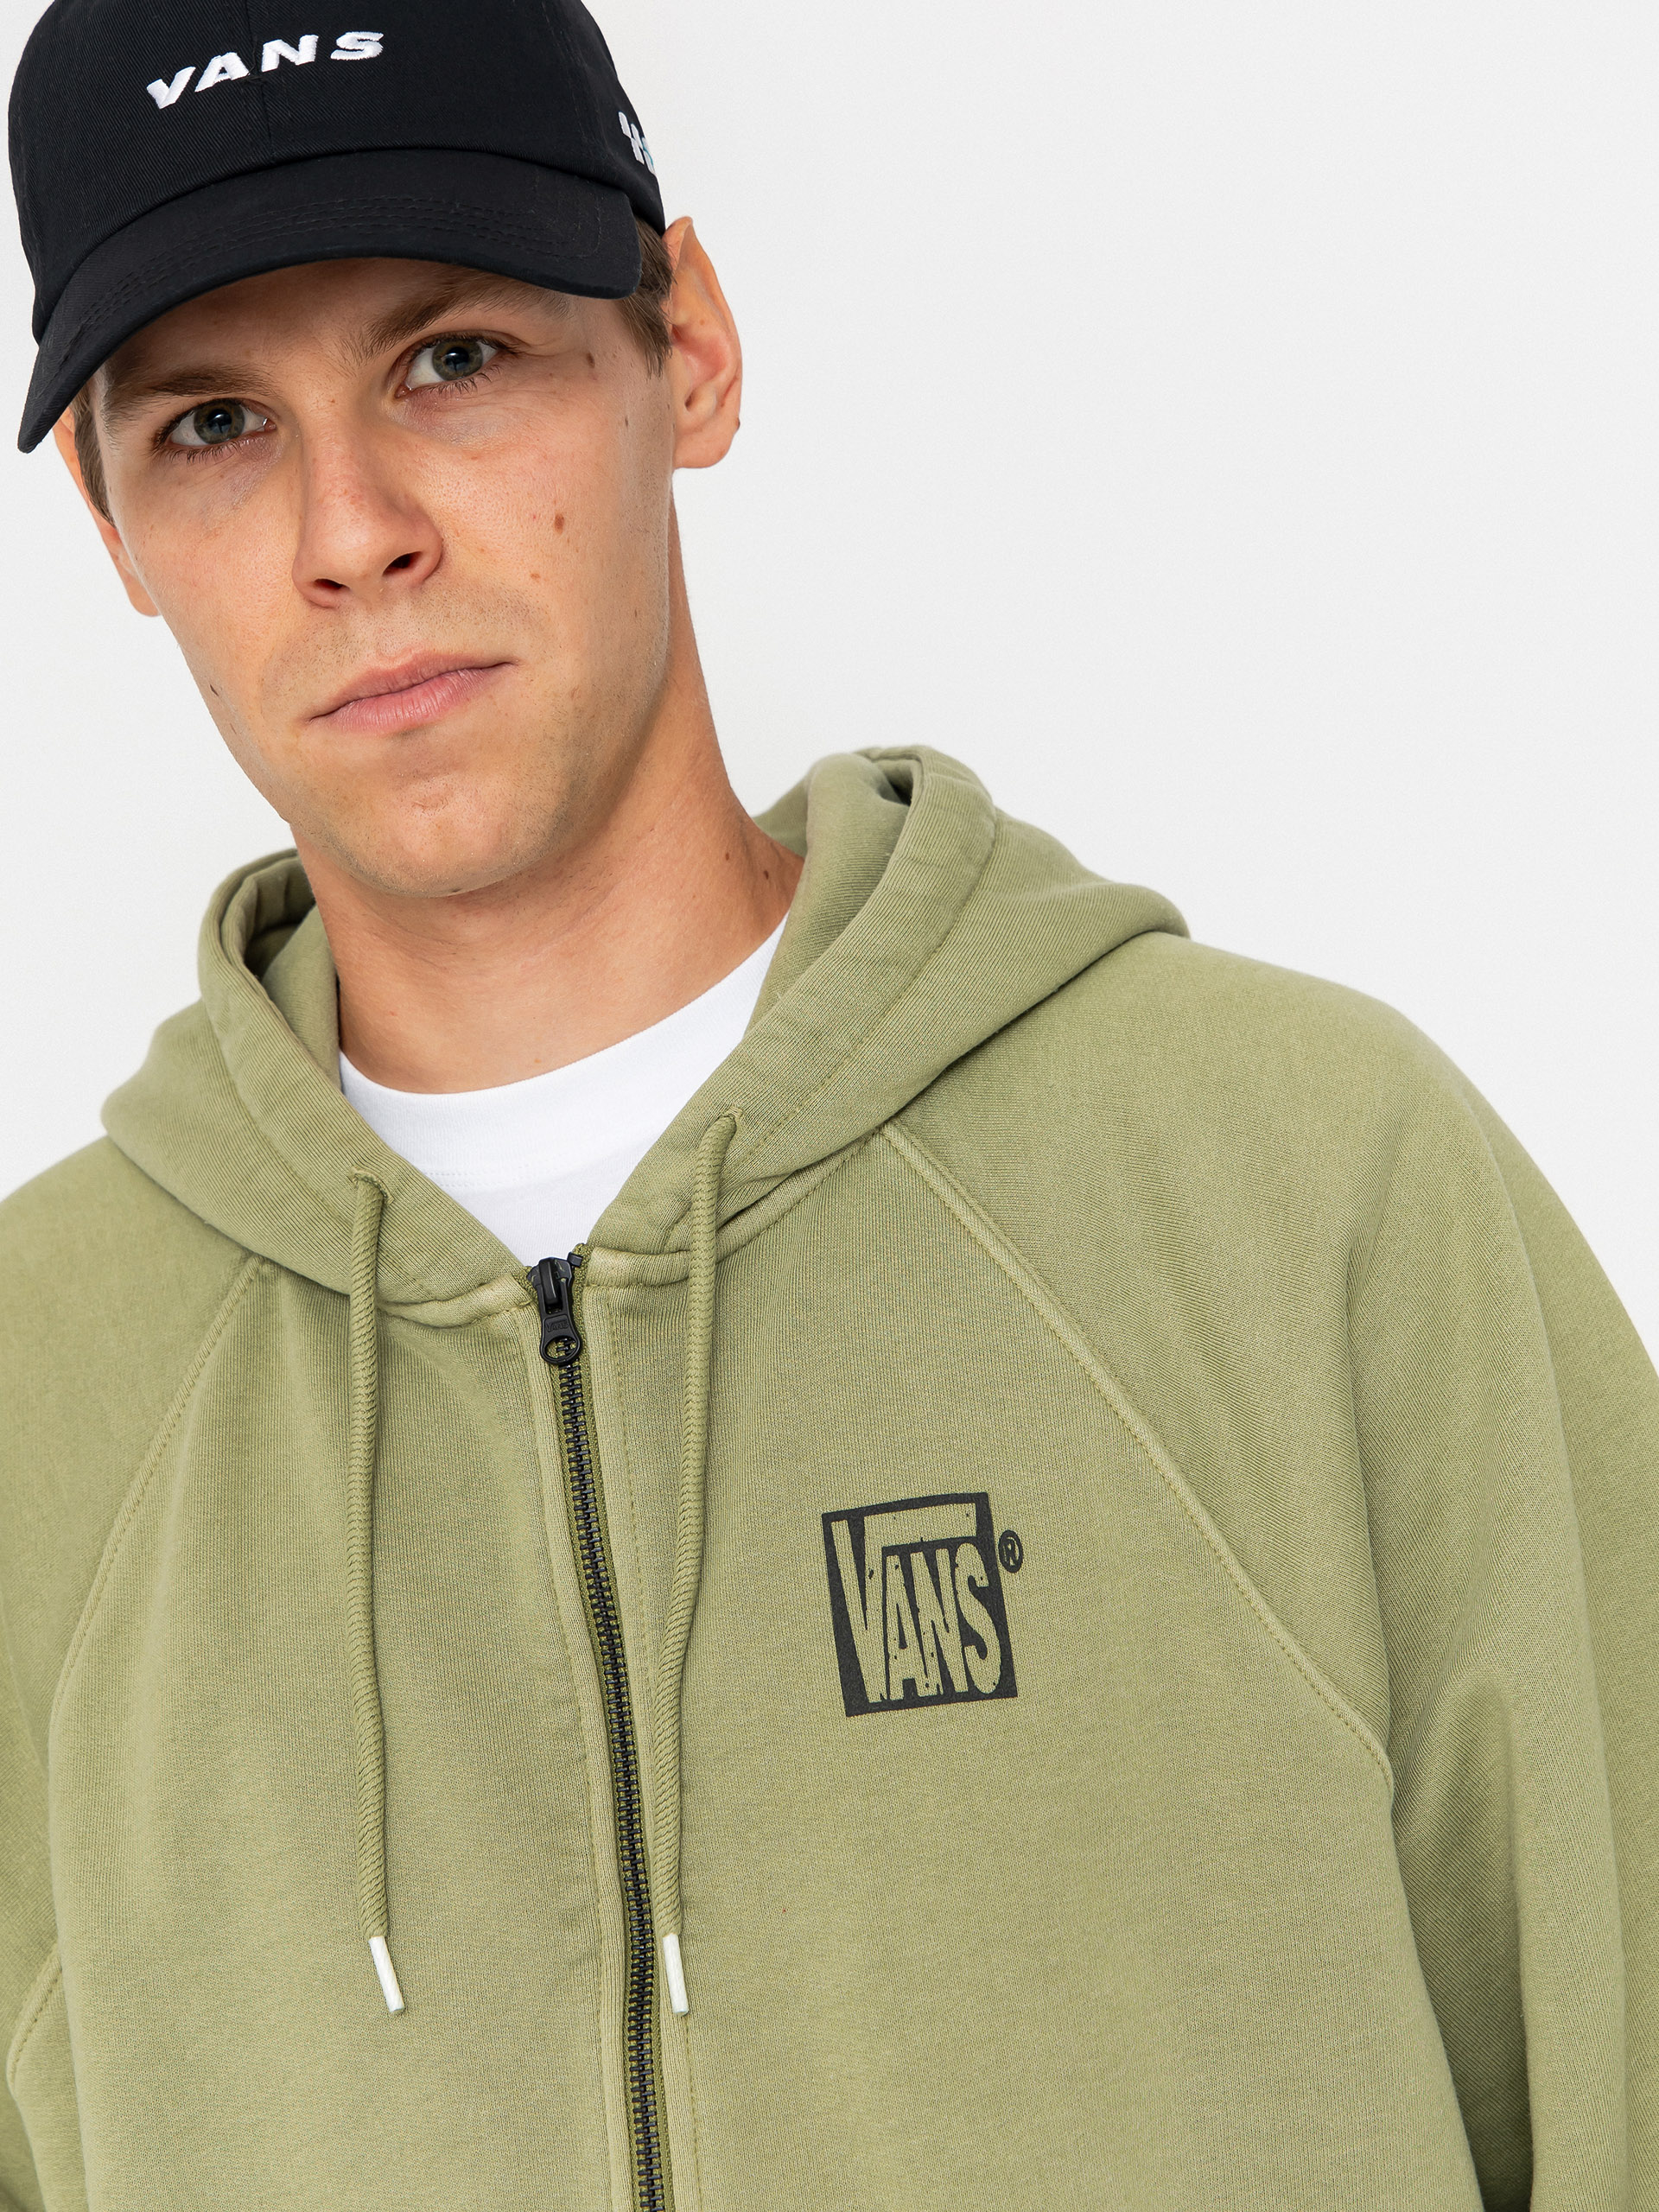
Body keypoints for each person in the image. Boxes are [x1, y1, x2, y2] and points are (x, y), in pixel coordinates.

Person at [3, 0, 1654, 2203]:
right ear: (111, 517)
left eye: (453, 359)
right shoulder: (38, 1402)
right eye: (214, 423)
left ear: (686, 346)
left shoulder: (1298, 1184)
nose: (353, 528)